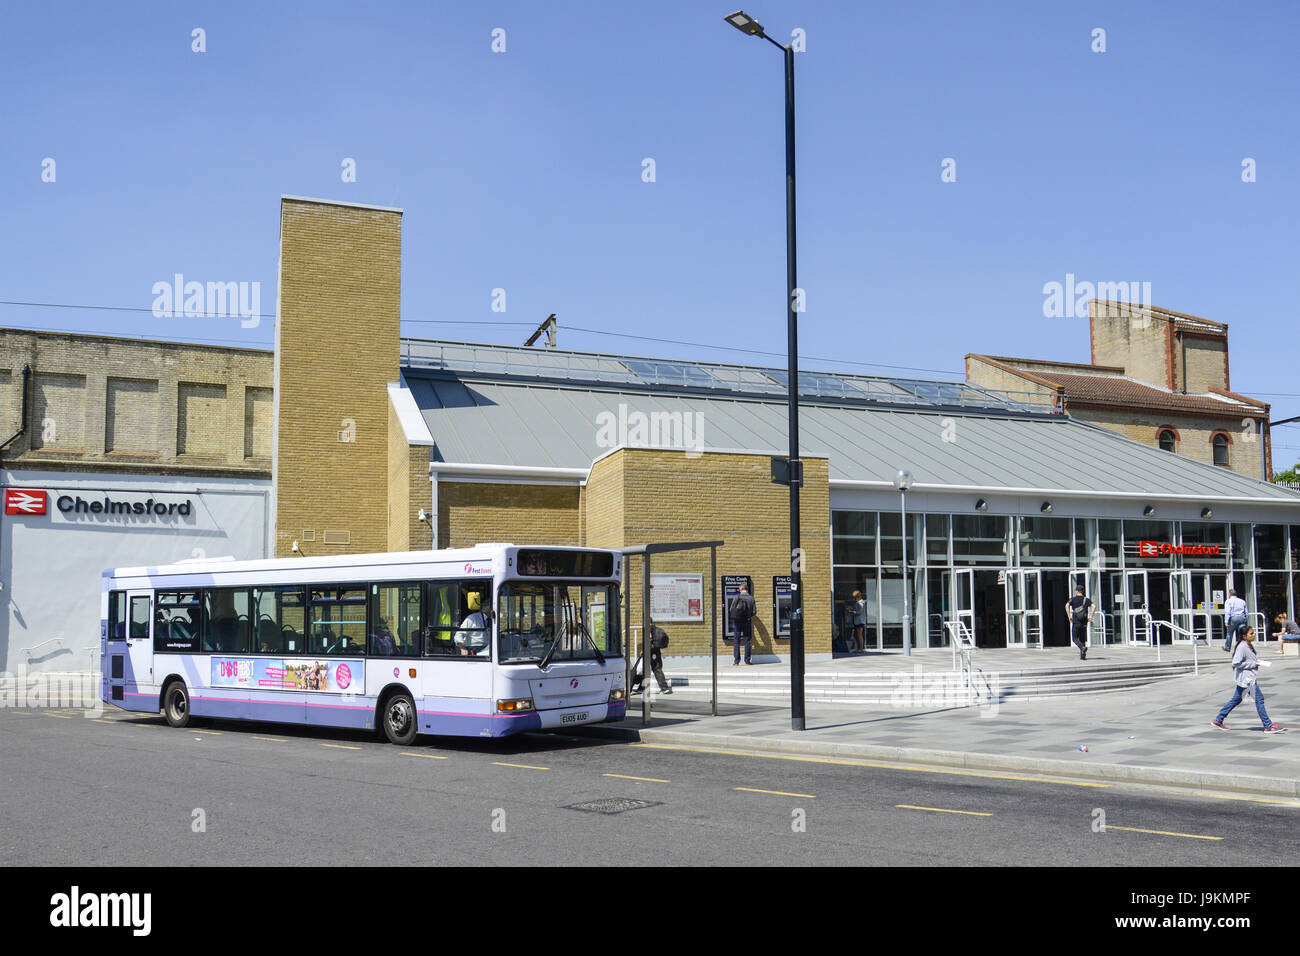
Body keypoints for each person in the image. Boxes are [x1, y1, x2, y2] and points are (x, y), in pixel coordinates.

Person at [1213, 624, 1284, 733]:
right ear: (1244, 636)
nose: (1253, 635)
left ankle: (1219, 719)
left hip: (1246, 679)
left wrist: (1257, 662)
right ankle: (1268, 725)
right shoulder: (1242, 646)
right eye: (1251, 633)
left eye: (1253, 632)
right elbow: (1236, 663)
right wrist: (1253, 664)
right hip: (1247, 680)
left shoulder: (1248, 645)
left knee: (1236, 699)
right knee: (1259, 700)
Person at [630, 622, 671, 694]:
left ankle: (630, 689)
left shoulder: (649, 629)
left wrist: (644, 650)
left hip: (648, 652)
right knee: (657, 669)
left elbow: (649, 640)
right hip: (656, 652)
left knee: (636, 670)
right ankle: (664, 688)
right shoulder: (657, 629)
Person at [454, 590, 492, 656]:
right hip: (475, 648)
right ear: (489, 609)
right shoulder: (472, 618)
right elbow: (459, 634)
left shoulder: (492, 620)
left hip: (488, 648)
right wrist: (463, 648)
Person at [728, 584, 757, 666]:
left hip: (737, 621)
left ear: (741, 589)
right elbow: (754, 612)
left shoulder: (737, 597)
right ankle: (747, 661)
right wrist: (748, 616)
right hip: (747, 621)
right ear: (747, 589)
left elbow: (731, 609)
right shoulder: (751, 598)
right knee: (747, 641)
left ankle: (736, 661)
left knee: (737, 641)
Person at [1066, 586, 1093, 660]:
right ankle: (1083, 656)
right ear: (1082, 591)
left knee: (1074, 638)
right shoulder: (1086, 599)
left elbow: (1067, 605)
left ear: (1077, 591)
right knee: (1082, 638)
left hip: (1076, 621)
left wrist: (1069, 616)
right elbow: (1094, 606)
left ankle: (1082, 647)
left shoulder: (1073, 599)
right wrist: (1091, 616)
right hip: (1084, 622)